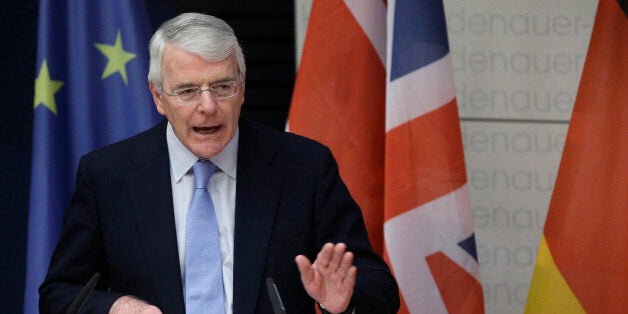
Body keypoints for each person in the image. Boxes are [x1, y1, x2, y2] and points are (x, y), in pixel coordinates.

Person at [39, 12, 399, 313]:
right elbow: (59, 293)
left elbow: (378, 287)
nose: (208, 105)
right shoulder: (108, 174)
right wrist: (117, 308)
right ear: (158, 96)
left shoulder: (304, 167)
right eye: (188, 90)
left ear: (242, 88)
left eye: (222, 86)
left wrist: (345, 300)